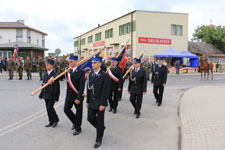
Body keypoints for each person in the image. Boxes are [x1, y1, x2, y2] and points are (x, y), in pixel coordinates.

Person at [86, 56, 109, 148]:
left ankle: (99, 138)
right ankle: (101, 128)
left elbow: (105, 91)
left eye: (95, 63)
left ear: (100, 64)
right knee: (90, 118)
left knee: (100, 121)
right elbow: (88, 89)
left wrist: (103, 104)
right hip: (91, 101)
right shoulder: (90, 75)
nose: (93, 64)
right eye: (92, 63)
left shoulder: (104, 75)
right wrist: (87, 101)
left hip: (100, 102)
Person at [63, 56, 85, 136]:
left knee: (78, 112)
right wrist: (52, 78)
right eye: (69, 61)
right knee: (66, 109)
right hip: (69, 95)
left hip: (77, 96)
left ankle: (78, 128)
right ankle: (75, 122)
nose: (69, 63)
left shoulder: (81, 72)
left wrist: (79, 97)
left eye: (71, 61)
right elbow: (59, 76)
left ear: (76, 62)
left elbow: (81, 86)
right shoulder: (67, 71)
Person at [39, 59, 60, 128]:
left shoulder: (54, 75)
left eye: (48, 65)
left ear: (51, 66)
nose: (46, 66)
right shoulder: (44, 74)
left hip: (52, 95)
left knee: (50, 108)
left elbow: (57, 87)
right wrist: (41, 94)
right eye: (46, 65)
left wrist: (56, 97)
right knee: (48, 109)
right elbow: (43, 85)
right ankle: (51, 121)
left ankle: (55, 120)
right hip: (45, 94)